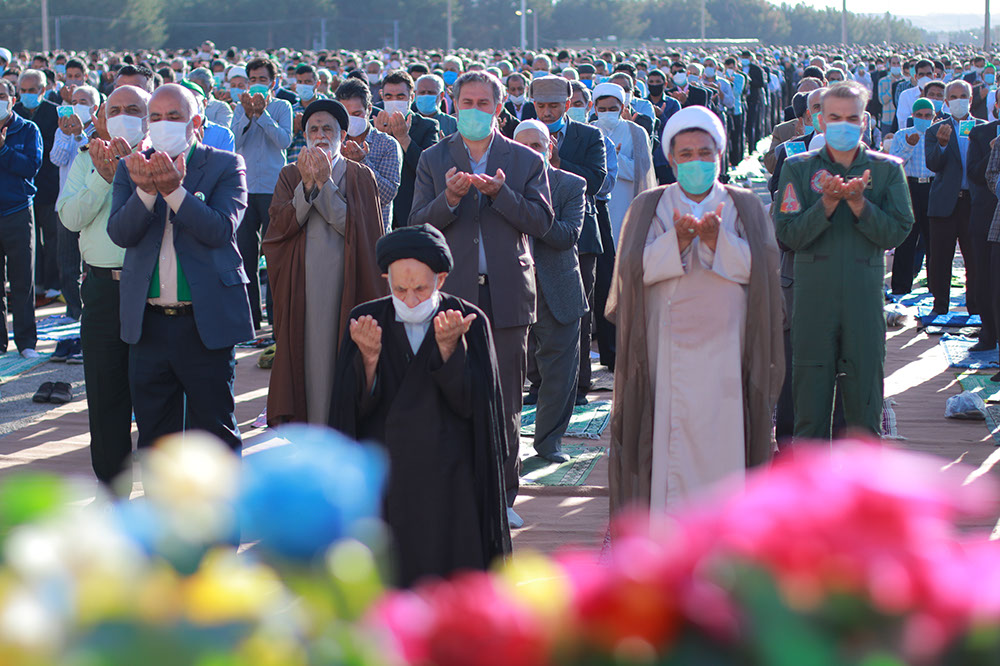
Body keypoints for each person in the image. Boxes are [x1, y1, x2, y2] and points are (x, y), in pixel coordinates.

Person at [607, 105, 783, 514]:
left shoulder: (744, 206)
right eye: (685, 155)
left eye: (705, 153)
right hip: (668, 345)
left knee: (723, 438)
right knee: (672, 438)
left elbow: (761, 273)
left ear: (720, 155)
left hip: (727, 346)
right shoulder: (651, 205)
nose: (696, 162)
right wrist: (679, 242)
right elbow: (634, 272)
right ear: (671, 159)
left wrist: (718, 239)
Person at [408, 71, 554, 529]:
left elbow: (543, 222)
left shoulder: (523, 159)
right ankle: (454, 492)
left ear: (498, 108)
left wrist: (500, 194)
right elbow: (417, 224)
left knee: (505, 400)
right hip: (452, 297)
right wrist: (449, 199)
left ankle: (503, 495)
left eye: (483, 102)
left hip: (508, 296)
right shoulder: (434, 158)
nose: (475, 109)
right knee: (450, 394)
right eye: (466, 101)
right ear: (453, 105)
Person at [329, 224, 511, 587]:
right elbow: (348, 416)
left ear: (441, 280)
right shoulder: (366, 321)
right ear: (386, 280)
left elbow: (479, 412)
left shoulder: (467, 321)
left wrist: (449, 354)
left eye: (421, 289)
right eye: (399, 289)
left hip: (449, 477)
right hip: (387, 476)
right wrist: (368, 360)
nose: (410, 299)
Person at [107, 84, 253, 453]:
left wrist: (174, 192)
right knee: (156, 437)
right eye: (155, 117)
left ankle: (222, 510)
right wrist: (146, 192)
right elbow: (120, 233)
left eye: (174, 117)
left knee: (214, 432)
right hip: (149, 323)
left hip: (203, 323)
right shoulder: (131, 168)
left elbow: (219, 229)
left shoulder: (224, 164)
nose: (163, 124)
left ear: (196, 122)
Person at [775, 82, 913, 438]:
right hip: (812, 303)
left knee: (863, 406)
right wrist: (826, 205)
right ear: (819, 120)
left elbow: (897, 232)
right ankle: (810, 491)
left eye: (852, 117)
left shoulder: (885, 170)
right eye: (834, 116)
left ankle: (861, 491)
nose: (843, 124)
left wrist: (859, 205)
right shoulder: (798, 169)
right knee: (810, 408)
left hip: (863, 302)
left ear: (865, 121)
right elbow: (788, 235)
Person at [262, 99, 385, 426]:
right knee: (307, 364)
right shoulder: (290, 174)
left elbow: (360, 233)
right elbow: (280, 229)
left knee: (342, 361)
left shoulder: (360, 176)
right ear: (304, 135)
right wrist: (306, 183)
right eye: (313, 129)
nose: (320, 136)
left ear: (342, 135)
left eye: (327, 129)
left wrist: (325, 184)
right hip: (301, 286)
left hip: (347, 286)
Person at [57, 85, 149, 488]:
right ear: (100, 117)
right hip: (101, 290)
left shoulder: (160, 161)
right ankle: (112, 489)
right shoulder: (85, 159)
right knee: (105, 393)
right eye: (115, 110)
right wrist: (103, 178)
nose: (123, 116)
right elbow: (70, 218)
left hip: (150, 289)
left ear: (148, 119)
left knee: (155, 393)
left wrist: (127, 170)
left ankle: (164, 493)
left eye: (134, 109)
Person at [514, 119, 587, 463]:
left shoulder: (572, 185)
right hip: (510, 288)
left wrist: (522, 212)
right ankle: (503, 442)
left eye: (537, 146)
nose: (531, 153)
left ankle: (548, 442)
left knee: (560, 372)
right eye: (523, 146)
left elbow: (566, 235)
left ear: (550, 146)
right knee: (507, 371)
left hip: (558, 288)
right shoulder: (495, 186)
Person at [231, 57, 293, 329]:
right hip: (245, 189)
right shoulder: (239, 108)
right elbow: (235, 142)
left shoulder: (282, 106)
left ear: (274, 83)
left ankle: (277, 318)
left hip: (272, 188)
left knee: (276, 255)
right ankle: (252, 319)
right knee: (246, 258)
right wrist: (247, 114)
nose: (256, 86)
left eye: (262, 80)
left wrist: (263, 115)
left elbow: (284, 140)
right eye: (252, 80)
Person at [924, 80, 985, 316]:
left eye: (964, 96)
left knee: (975, 259)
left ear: (970, 100)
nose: (959, 101)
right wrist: (941, 145)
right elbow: (933, 164)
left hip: (974, 203)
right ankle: (940, 305)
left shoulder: (983, 129)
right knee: (940, 259)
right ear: (946, 102)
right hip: (944, 204)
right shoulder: (935, 130)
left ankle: (976, 308)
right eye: (954, 97)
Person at [0, 77, 41, 357]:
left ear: (12, 100)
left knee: (22, 280)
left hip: (17, 212)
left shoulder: (27, 129)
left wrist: (3, 149)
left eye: (1, 94)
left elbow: (31, 167)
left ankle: (26, 342)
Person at [372, 70, 441, 230]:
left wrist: (404, 138)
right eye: (389, 97)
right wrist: (380, 137)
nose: (394, 101)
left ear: (411, 97)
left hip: (412, 210)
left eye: (401, 97)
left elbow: (428, 168)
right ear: (382, 96)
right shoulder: (373, 125)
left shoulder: (427, 126)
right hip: (379, 211)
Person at [15, 69, 61, 304]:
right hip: (22, 189)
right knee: (31, 241)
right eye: (23, 90)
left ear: (43, 90)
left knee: (52, 238)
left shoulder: (54, 112)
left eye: (32, 90)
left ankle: (54, 283)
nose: (27, 95)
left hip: (50, 185)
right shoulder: (14, 113)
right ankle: (38, 283)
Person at [591, 82, 656, 245]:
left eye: (612, 109)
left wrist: (615, 158)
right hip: (597, 200)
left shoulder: (637, 132)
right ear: (595, 109)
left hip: (626, 198)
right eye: (603, 109)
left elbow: (642, 171)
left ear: (622, 107)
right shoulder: (589, 131)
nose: (608, 113)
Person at [334, 78, 402, 228]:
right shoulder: (333, 144)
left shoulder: (387, 144)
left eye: (357, 114)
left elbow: (387, 195)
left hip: (375, 234)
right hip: (340, 234)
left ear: (369, 110)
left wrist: (362, 163)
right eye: (345, 114)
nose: (351, 120)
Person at [888, 98, 935, 297]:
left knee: (934, 240)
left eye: (928, 116)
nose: (924, 119)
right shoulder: (902, 135)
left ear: (933, 116)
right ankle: (900, 287)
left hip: (933, 189)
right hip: (910, 188)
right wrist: (908, 146)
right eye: (920, 115)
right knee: (907, 239)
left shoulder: (938, 134)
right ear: (913, 116)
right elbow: (894, 164)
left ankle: (936, 288)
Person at [967, 95, 1000, 352]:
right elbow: (976, 175)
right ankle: (988, 334)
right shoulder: (981, 135)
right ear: (995, 106)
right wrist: (992, 151)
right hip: (988, 215)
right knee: (985, 276)